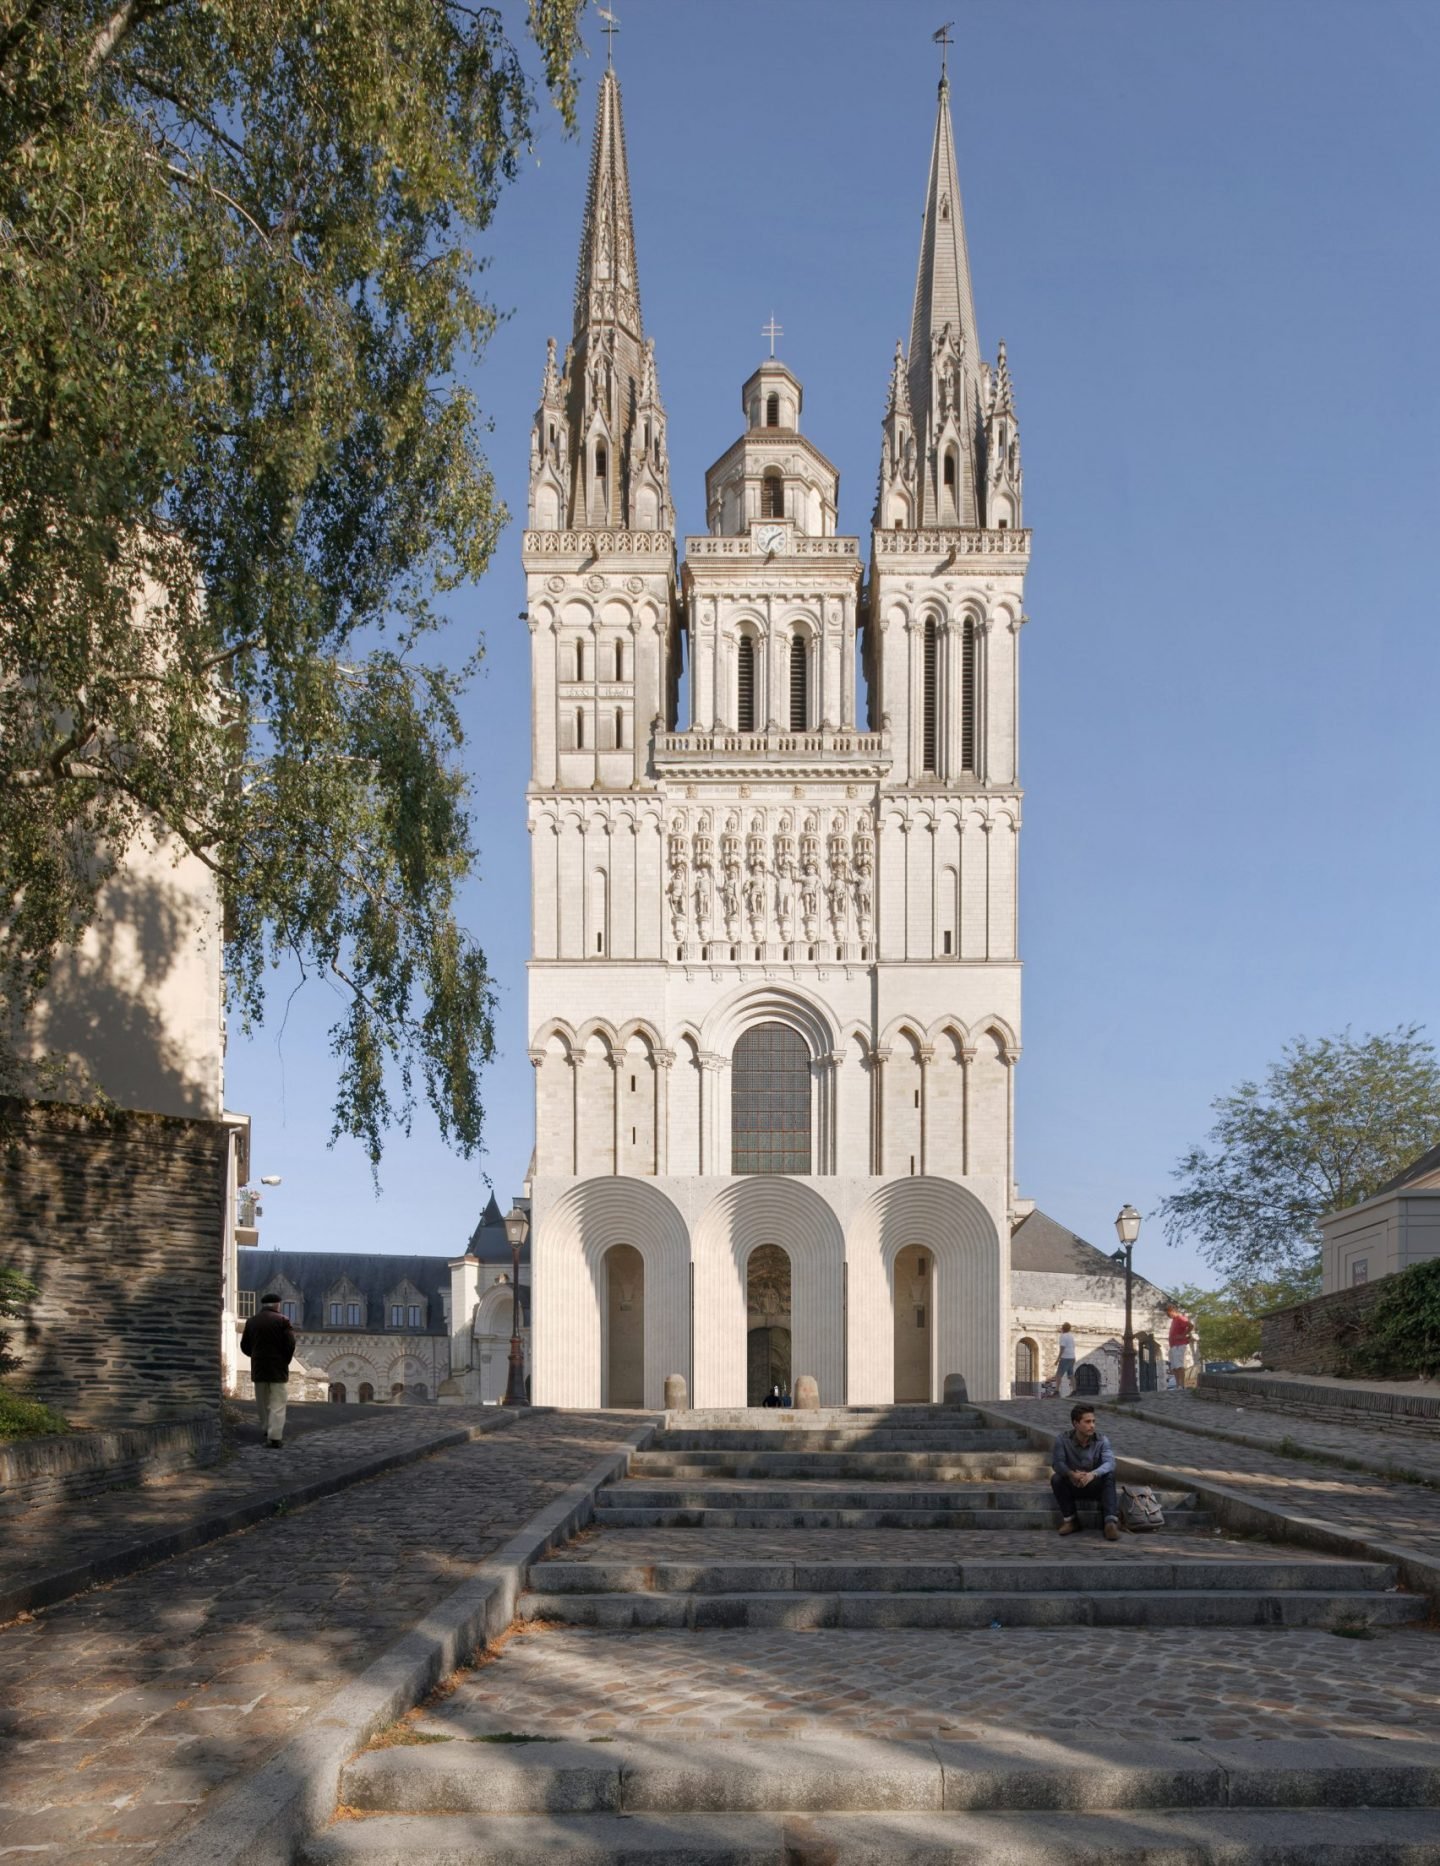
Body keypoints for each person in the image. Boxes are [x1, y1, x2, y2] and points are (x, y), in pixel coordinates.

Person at [1051, 1401, 1120, 1539]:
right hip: (1073, 1484)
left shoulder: (1102, 1440)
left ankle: (1110, 1523)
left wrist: (1093, 1474)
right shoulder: (1062, 1440)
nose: (1092, 1425)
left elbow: (1110, 1463)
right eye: (1087, 1422)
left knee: (1109, 1475)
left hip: (1094, 1484)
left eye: (1093, 1421)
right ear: (1076, 1424)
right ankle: (1071, 1520)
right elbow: (1057, 1463)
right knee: (1056, 1478)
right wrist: (1071, 1474)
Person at [240, 1293, 297, 1447]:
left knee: (262, 1402)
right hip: (278, 1367)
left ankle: (266, 1428)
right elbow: (290, 1343)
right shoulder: (283, 1321)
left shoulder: (251, 1322)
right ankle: (275, 1436)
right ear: (277, 1305)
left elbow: (244, 1346)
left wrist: (255, 1355)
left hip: (259, 1366)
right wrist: (285, 1359)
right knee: (278, 1402)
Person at [1166, 1303, 1195, 1391]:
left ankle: (1181, 1385)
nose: (1167, 1315)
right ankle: (1177, 1385)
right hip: (1173, 1345)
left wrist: (1183, 1335)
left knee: (1179, 1365)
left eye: (1168, 1313)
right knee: (1174, 1367)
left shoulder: (1180, 1318)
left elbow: (1190, 1325)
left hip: (1179, 1345)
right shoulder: (1174, 1320)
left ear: (1172, 1311)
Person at [1053, 1322, 1077, 1396]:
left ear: (1063, 1328)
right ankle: (1074, 1391)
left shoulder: (1063, 1336)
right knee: (1071, 1375)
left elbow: (1062, 1348)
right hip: (1072, 1357)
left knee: (1058, 1375)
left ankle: (1057, 1391)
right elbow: (1073, 1347)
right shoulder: (1071, 1336)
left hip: (1065, 1358)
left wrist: (1057, 1360)